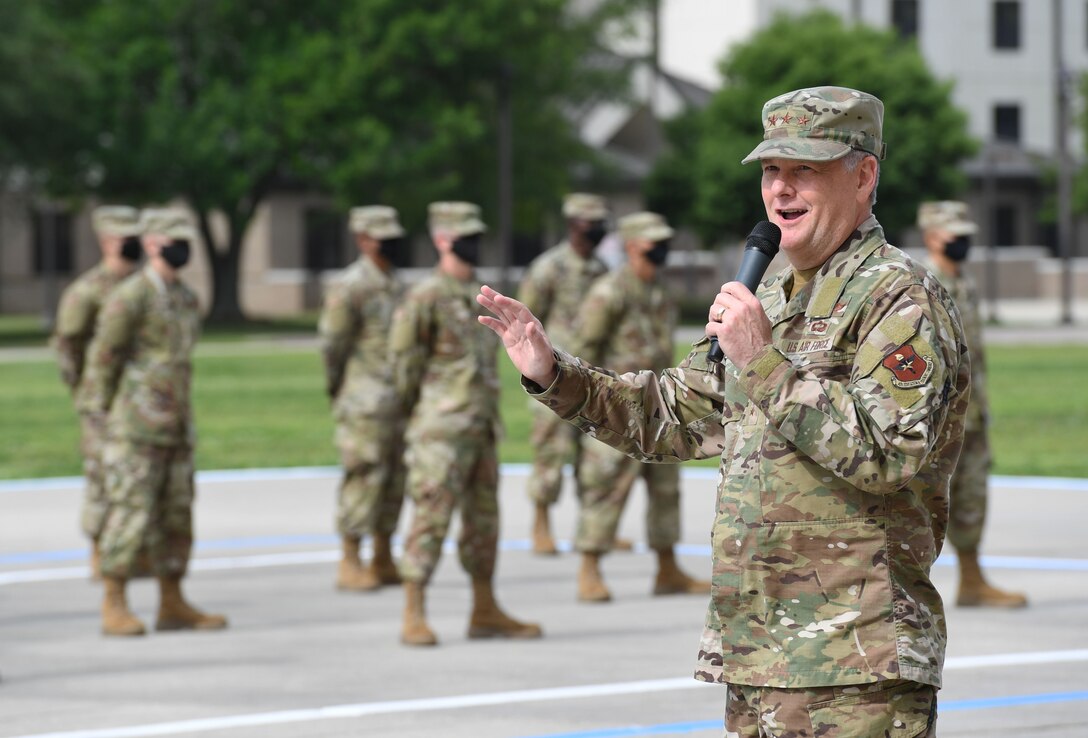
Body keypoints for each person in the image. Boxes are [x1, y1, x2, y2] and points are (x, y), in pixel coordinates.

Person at [478, 86, 970, 736]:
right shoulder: (769, 294)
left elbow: (886, 453)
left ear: (864, 175)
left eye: (805, 170)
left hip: (855, 665)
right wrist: (552, 373)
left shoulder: (898, 299)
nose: (781, 190)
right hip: (757, 656)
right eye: (772, 170)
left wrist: (762, 360)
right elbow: (674, 413)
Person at [390, 201, 542, 647]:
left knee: (483, 521)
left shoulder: (479, 295)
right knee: (431, 516)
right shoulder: (424, 296)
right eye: (464, 234)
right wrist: (423, 415)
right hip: (440, 431)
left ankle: (484, 608)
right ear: (442, 239)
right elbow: (402, 365)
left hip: (480, 426)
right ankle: (413, 608)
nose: (473, 241)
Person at [82, 208, 227, 637]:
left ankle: (172, 601)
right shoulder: (129, 297)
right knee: (130, 515)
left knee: (177, 517)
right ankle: (115, 601)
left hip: (177, 426)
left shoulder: (186, 299)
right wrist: (99, 422)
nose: (181, 249)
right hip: (135, 428)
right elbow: (102, 361)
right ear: (150, 244)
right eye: (172, 241)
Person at [570, 211, 709, 603]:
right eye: (654, 243)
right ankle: (589, 568)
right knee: (605, 488)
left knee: (666, 490)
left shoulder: (660, 291)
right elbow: (582, 350)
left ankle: (667, 568)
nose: (662, 249)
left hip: (660, 408)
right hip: (615, 409)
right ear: (631, 246)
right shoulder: (608, 292)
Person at [918, 200, 1027, 608]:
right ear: (932, 236)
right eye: (955, 236)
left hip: (973, 413)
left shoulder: (963, 282)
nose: (963, 243)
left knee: (971, 496)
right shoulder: (923, 284)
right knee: (927, 503)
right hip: (940, 419)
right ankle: (905, 590)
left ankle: (972, 580)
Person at [319, 206, 408, 592]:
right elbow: (332, 344)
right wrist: (339, 387)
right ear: (362, 239)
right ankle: (350, 558)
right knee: (364, 475)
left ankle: (384, 555)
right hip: (364, 400)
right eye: (380, 235)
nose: (390, 241)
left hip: (397, 399)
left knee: (394, 479)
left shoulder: (397, 283)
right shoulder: (350, 285)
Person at [53, 206, 143, 578]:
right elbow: (68, 346)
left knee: (139, 476)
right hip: (102, 400)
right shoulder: (87, 292)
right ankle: (97, 550)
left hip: (139, 400)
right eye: (127, 237)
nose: (135, 243)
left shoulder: (143, 287)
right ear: (107, 241)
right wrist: (85, 391)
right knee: (102, 477)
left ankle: (135, 551)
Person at [517, 193, 610, 554]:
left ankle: (593, 528)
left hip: (592, 377)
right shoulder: (548, 269)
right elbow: (525, 323)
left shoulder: (601, 269)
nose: (598, 230)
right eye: (592, 224)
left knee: (595, 457)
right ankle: (541, 523)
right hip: (553, 378)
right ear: (573, 225)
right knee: (550, 454)